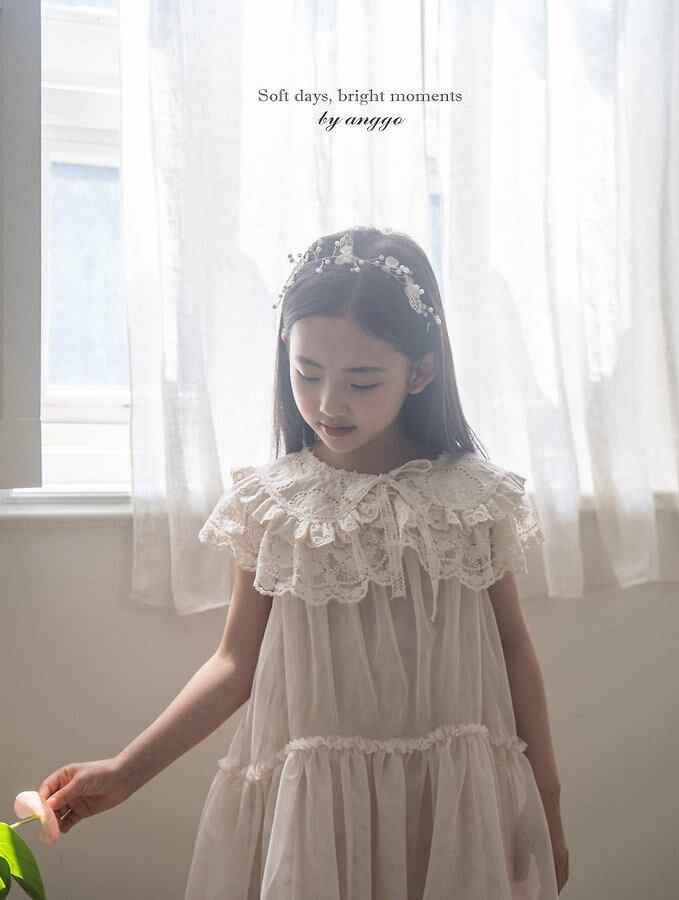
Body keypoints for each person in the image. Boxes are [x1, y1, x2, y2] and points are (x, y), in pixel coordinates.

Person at [37, 226, 569, 898]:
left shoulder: (470, 498)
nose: (327, 403)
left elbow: (514, 649)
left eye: (362, 380)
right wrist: (124, 770)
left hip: (452, 807)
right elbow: (234, 664)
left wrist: (546, 802)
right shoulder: (275, 505)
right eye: (307, 373)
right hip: (321, 814)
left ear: (421, 372)